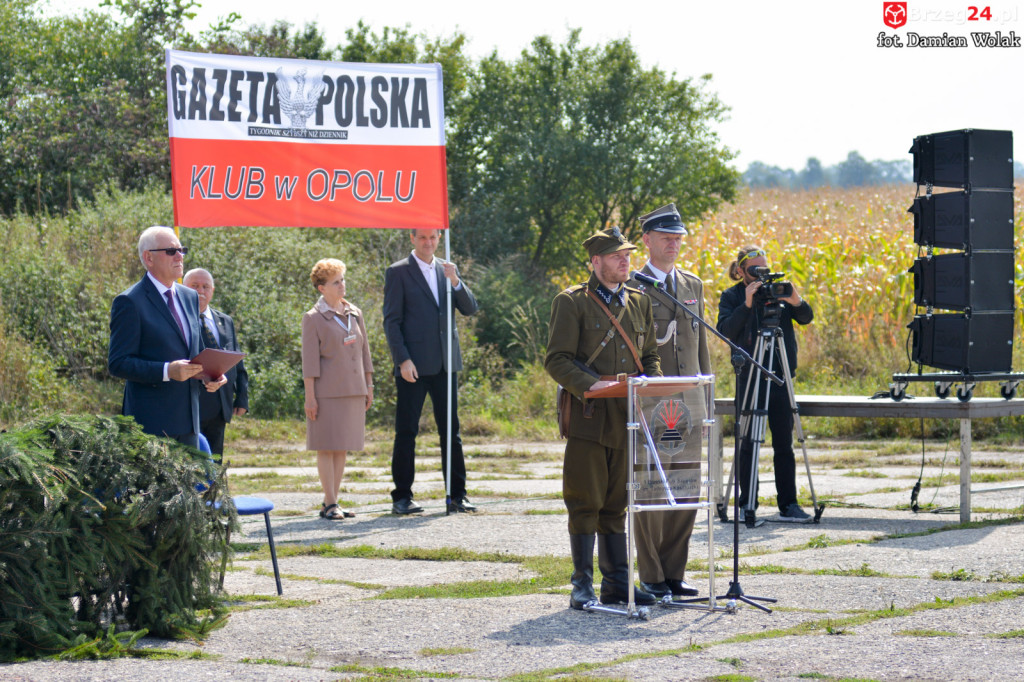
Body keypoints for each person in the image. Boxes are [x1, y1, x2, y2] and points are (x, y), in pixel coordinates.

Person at [545, 226, 662, 610]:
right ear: (596, 262)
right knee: (585, 501)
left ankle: (616, 583)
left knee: (616, 503)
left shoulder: (639, 301)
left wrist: (652, 385)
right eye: (616, 256)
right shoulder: (572, 302)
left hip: (627, 414)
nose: (624, 261)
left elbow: (650, 355)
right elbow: (557, 360)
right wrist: (590, 385)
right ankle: (582, 585)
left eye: (627, 255)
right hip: (590, 413)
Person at [628, 204, 710, 599]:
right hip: (653, 404)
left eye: (677, 238)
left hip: (690, 402)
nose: (673, 244)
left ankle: (675, 572)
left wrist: (706, 403)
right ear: (647, 240)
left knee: (687, 487)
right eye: (665, 238)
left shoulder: (693, 285)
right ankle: (652, 574)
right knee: (652, 489)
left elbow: (701, 348)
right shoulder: (633, 286)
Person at [382, 228, 479, 515]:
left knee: (451, 432)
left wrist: (456, 281)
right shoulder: (398, 272)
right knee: (406, 432)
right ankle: (402, 497)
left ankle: (457, 495)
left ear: (439, 239)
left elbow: (470, 308)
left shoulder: (446, 270)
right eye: (423, 237)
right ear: (412, 238)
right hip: (412, 366)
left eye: (433, 237)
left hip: (446, 364)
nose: (429, 242)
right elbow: (391, 321)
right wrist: (403, 360)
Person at [716, 245, 815, 523]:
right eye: (753, 270)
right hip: (750, 376)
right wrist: (747, 304)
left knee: (784, 442)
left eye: (764, 269)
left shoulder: (778, 292)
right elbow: (725, 330)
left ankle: (789, 505)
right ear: (740, 271)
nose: (760, 275)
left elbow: (806, 317)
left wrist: (795, 299)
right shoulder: (732, 296)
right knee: (748, 442)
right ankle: (747, 503)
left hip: (780, 375)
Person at [108, 226, 226, 448]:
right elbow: (118, 363)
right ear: (148, 258)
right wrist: (166, 371)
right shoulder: (130, 302)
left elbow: (195, 351)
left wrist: (211, 374)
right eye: (171, 251)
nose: (180, 256)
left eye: (182, 250)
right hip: (150, 426)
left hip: (189, 423)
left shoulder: (190, 296)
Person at [302, 258, 374, 521]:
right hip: (326, 393)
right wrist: (310, 397)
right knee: (326, 447)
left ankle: (332, 501)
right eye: (336, 282)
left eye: (342, 279)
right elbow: (310, 362)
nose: (342, 285)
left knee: (342, 447)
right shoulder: (313, 318)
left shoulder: (354, 313)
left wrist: (369, 384)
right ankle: (330, 503)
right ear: (322, 288)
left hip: (354, 389)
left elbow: (365, 352)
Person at [183, 268, 249, 459]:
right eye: (194, 286)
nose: (200, 291)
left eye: (205, 287)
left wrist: (242, 397)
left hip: (220, 406)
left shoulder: (225, 321)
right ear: (183, 289)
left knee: (215, 463)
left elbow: (236, 361)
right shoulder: (179, 320)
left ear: (212, 290)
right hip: (190, 405)